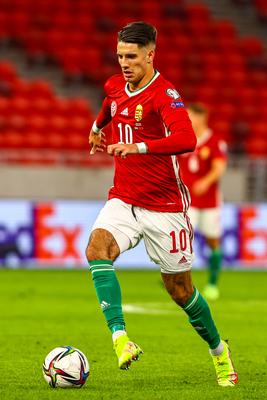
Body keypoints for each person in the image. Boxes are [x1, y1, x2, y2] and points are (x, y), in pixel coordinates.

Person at [86, 21, 238, 387]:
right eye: (120, 55)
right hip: (123, 197)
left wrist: (138, 146)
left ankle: (219, 352)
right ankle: (121, 339)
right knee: (96, 249)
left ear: (151, 54)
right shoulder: (116, 85)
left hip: (164, 206)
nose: (125, 63)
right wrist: (96, 127)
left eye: (132, 57)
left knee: (180, 290)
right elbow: (111, 101)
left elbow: (186, 138)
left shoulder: (164, 95)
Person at [178, 104, 227, 301]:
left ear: (202, 118)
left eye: (191, 117)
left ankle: (213, 283)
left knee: (212, 240)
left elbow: (219, 167)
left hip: (209, 202)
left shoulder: (214, 141)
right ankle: (179, 280)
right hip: (186, 201)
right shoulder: (183, 138)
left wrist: (205, 182)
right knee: (182, 238)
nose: (189, 120)